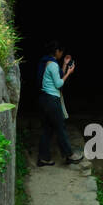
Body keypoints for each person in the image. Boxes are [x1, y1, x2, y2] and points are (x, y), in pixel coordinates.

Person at [37, 37, 83, 166]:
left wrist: (64, 64)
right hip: (52, 100)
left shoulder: (48, 63)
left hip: (44, 99)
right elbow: (58, 83)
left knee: (47, 129)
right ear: (56, 51)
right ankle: (70, 155)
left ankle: (43, 158)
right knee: (60, 128)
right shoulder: (52, 65)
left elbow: (56, 77)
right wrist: (69, 72)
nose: (61, 54)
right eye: (61, 52)